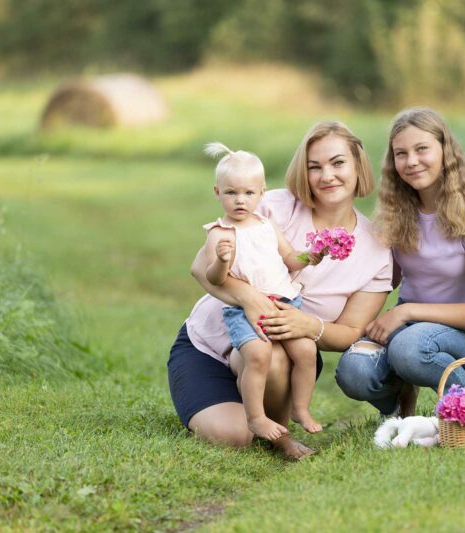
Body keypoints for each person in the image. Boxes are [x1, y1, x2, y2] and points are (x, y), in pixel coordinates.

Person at [168, 121, 393, 460]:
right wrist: (248, 296)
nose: (326, 175)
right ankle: (245, 413)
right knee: (234, 436)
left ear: (358, 165)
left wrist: (310, 326)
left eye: (337, 163)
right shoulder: (271, 206)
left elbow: (351, 332)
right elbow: (200, 268)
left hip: (284, 355)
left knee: (271, 357)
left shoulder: (377, 249)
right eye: (314, 166)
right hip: (209, 344)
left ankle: (278, 424)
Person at [335, 107, 465, 417]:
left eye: (421, 149)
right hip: (408, 326)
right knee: (353, 371)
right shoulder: (397, 213)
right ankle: (402, 399)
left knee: (408, 349)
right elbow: (384, 279)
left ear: (444, 150)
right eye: (401, 153)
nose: (411, 161)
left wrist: (406, 311)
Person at [200, 141, 323, 440]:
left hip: (285, 302)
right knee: (257, 354)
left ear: (261, 193)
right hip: (245, 309)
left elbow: (291, 258)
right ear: (217, 193)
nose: (240, 200)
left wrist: (312, 255)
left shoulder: (268, 226)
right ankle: (255, 417)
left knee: (306, 350)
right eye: (231, 192)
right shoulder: (219, 233)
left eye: (248, 193)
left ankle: (300, 408)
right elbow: (214, 279)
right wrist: (222, 260)